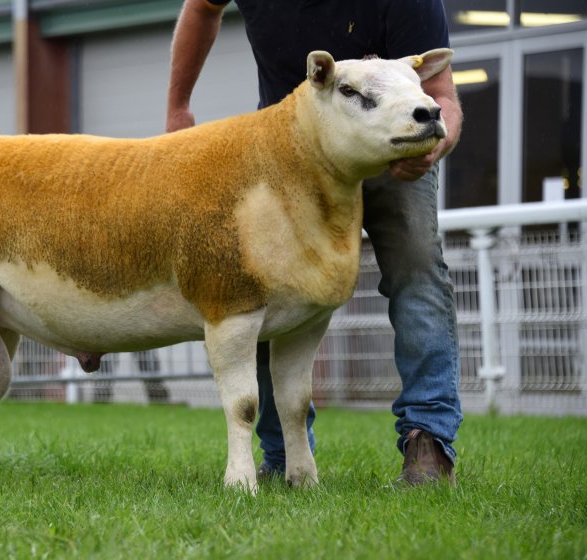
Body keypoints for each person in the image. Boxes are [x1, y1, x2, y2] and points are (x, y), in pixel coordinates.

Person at [165, 0, 463, 485]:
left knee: (416, 270)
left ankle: (428, 440)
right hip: (288, 149)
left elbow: (440, 95)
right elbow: (201, 8)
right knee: (254, 286)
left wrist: (433, 144)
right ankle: (283, 454)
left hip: (391, 148)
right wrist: (178, 106)